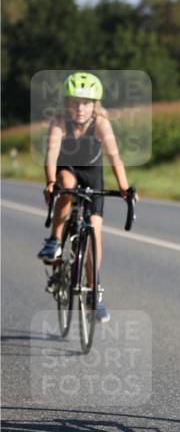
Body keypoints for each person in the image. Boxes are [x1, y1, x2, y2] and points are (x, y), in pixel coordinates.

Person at [37, 72, 136, 322]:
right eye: (74, 103)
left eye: (86, 103)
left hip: (93, 175)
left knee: (94, 231)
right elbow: (51, 153)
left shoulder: (101, 124)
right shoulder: (59, 122)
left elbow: (114, 157)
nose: (80, 109)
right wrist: (50, 182)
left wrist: (125, 188)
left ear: (94, 105)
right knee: (66, 185)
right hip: (67, 170)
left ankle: (94, 295)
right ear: (66, 104)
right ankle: (55, 240)